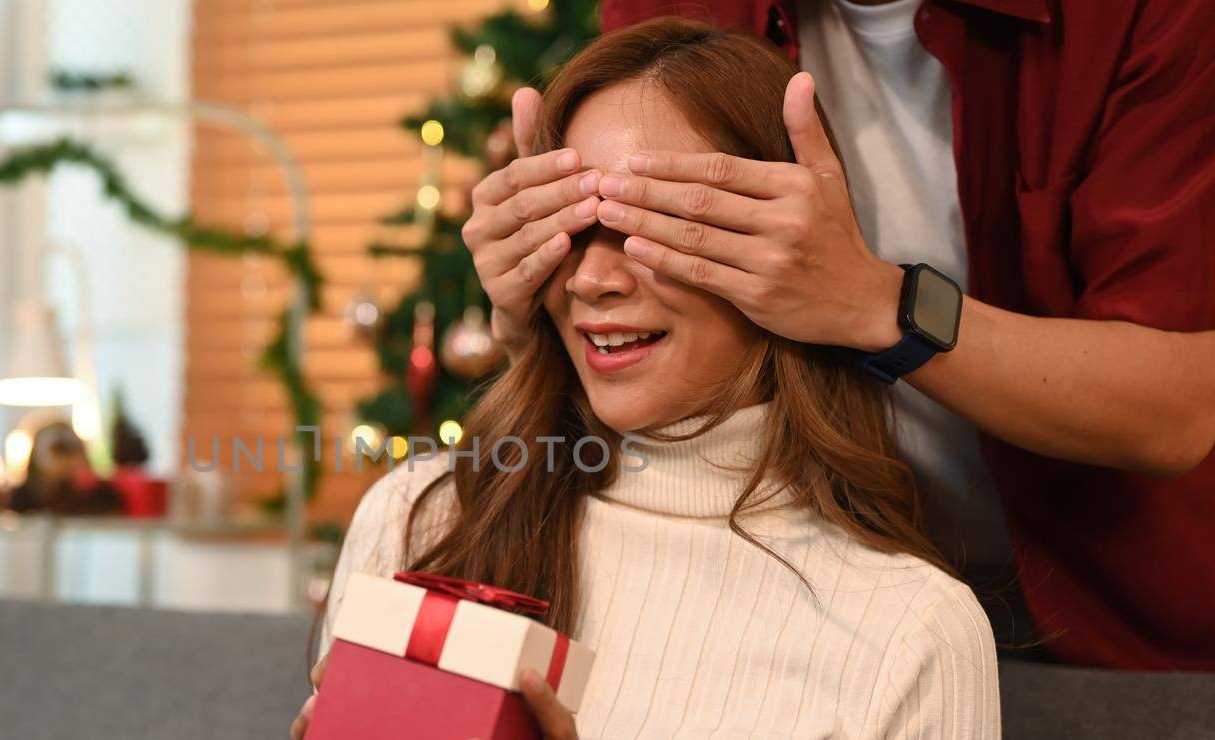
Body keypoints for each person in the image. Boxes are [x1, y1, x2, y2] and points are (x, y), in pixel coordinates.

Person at [271, 20, 1000, 740]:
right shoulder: (425, 514)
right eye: (571, 226)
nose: (591, 280)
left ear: (786, 251)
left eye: (652, 225)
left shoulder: (908, 630)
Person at [480, 0, 1213, 670]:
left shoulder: (1145, 19)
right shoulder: (678, 10)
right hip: (792, 590)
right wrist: (525, 308)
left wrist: (875, 304)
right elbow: (652, 337)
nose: (593, 275)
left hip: (1123, 628)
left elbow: (1174, 409)